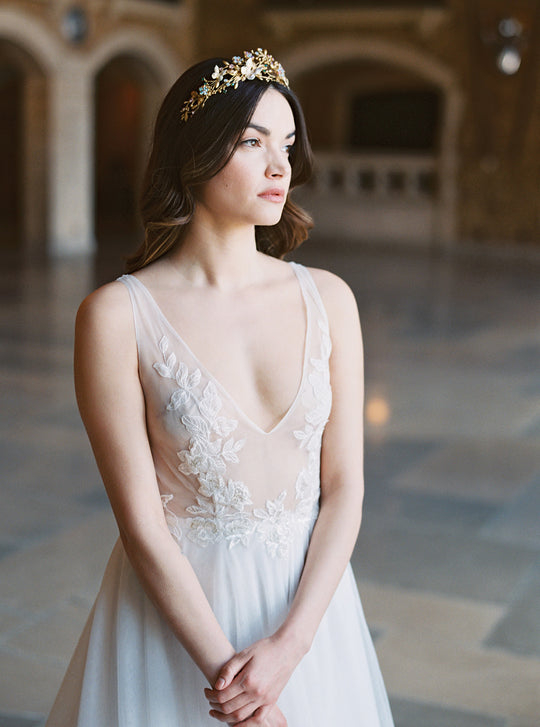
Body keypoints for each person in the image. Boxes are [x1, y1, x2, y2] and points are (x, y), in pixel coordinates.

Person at [45, 49, 394, 726]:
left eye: (287, 145)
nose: (278, 167)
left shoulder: (330, 298)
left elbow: (345, 486)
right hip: (178, 626)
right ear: (194, 153)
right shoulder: (117, 316)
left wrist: (290, 649)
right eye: (251, 142)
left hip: (310, 617)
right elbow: (141, 524)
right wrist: (233, 687)